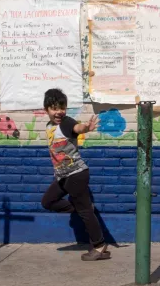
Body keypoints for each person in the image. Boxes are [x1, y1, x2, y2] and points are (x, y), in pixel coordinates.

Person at [40, 88, 110, 261]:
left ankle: (100, 246)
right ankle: (84, 209)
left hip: (76, 174)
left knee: (85, 211)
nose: (59, 112)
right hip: (64, 176)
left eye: (62, 107)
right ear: (47, 110)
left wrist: (86, 127)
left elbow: (77, 127)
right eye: (54, 108)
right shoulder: (50, 126)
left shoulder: (66, 122)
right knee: (48, 201)